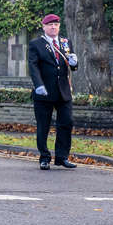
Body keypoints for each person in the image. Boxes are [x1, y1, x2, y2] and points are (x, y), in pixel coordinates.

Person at [29, 14, 79, 170]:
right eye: (50, 25)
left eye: (56, 25)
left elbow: (70, 66)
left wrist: (74, 64)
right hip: (44, 91)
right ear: (44, 27)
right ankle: (44, 157)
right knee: (43, 125)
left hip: (63, 91)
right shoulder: (36, 44)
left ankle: (62, 157)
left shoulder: (65, 42)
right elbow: (33, 66)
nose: (53, 27)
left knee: (66, 123)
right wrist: (38, 85)